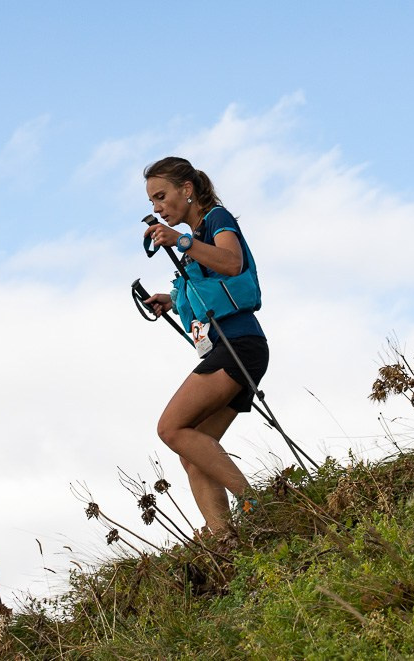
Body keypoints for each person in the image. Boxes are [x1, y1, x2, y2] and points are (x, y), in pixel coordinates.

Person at [141, 156, 269, 536]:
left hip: (238, 342)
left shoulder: (216, 219)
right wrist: (170, 300)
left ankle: (256, 503)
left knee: (171, 428)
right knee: (194, 452)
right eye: (152, 202)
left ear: (187, 189)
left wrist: (181, 240)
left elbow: (232, 263)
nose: (157, 208)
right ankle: (224, 538)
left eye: (161, 196)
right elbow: (207, 287)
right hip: (232, 346)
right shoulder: (195, 239)